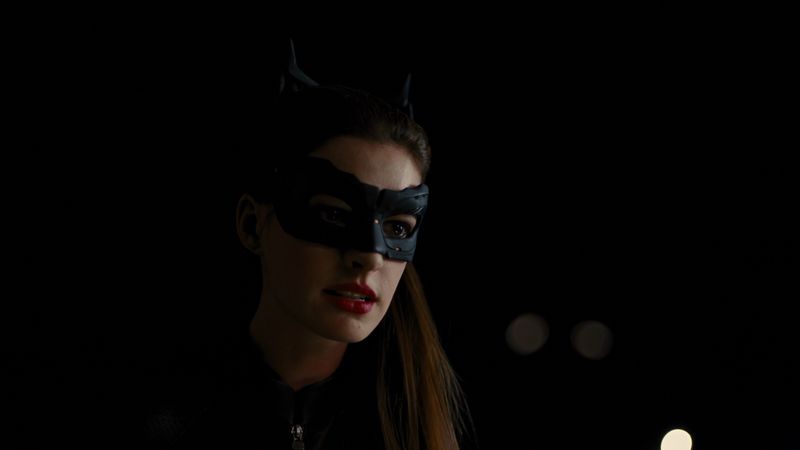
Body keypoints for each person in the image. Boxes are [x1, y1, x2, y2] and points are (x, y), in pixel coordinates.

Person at [143, 52, 475, 450]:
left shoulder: (420, 429)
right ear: (252, 225)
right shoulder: (160, 418)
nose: (371, 256)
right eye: (334, 215)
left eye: (398, 228)